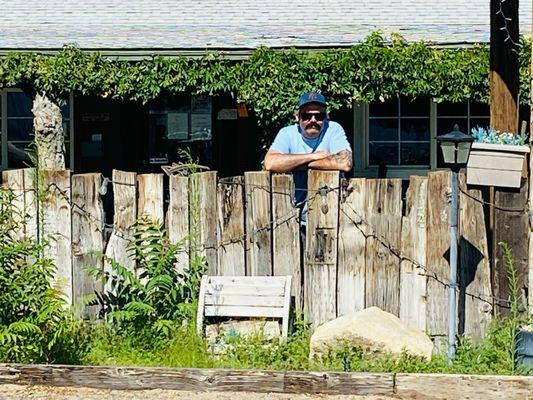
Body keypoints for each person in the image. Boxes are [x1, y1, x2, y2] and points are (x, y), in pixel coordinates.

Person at [263, 91, 353, 214]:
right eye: (306, 116)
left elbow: (345, 163)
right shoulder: (287, 133)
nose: (313, 120)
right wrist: (314, 156)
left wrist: (295, 165)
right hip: (293, 215)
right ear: (297, 117)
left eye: (319, 116)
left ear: (326, 117)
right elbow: (270, 163)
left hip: (332, 214)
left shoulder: (333, 129)